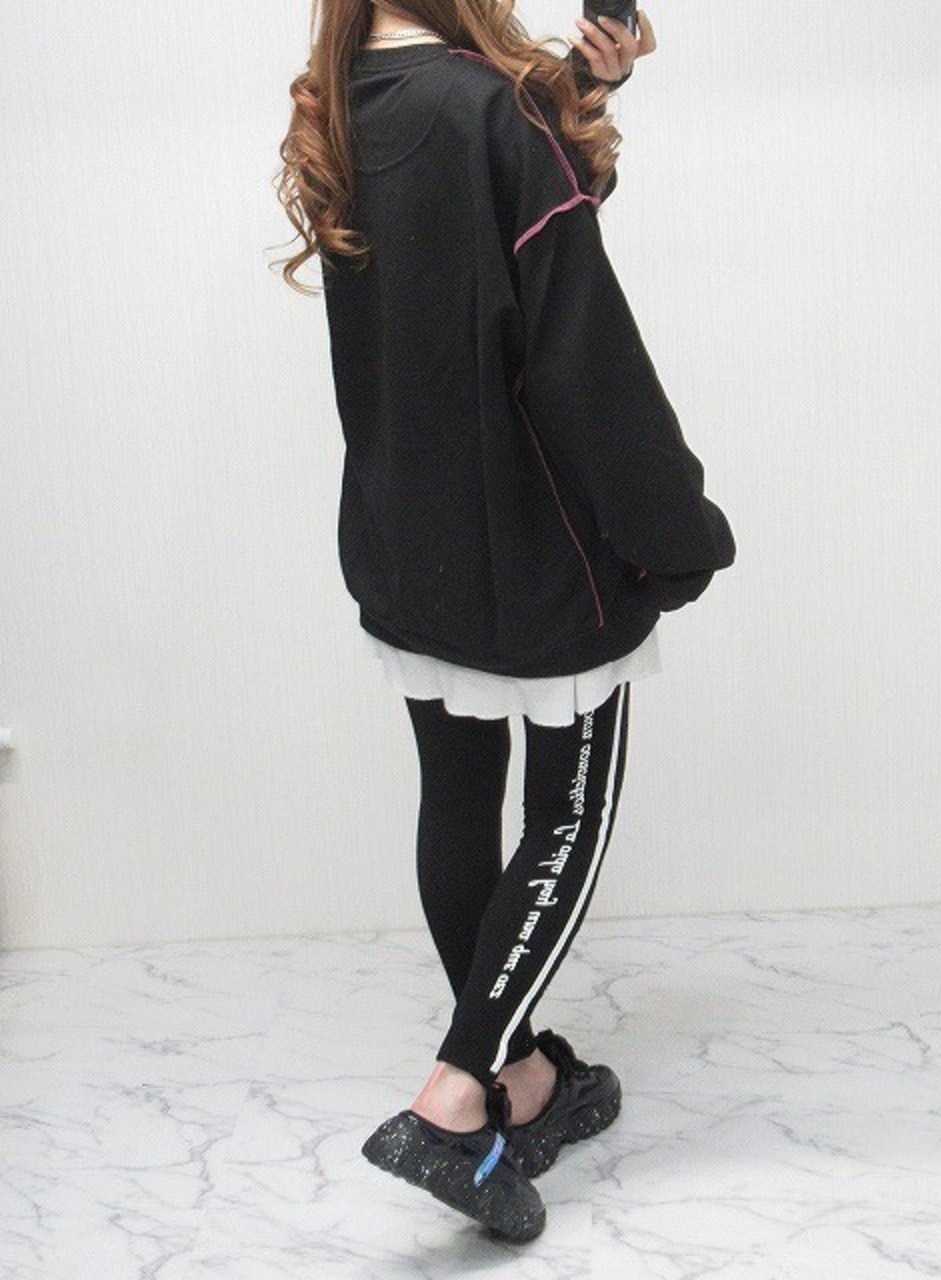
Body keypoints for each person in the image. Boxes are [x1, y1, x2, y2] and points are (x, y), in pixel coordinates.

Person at [273, 0, 735, 1243]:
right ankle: (451, 1100)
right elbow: (580, 352)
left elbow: (474, 246)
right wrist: (674, 529)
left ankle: (520, 1072)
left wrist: (580, 95)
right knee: (565, 815)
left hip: (405, 541)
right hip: (538, 555)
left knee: (457, 795)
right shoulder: (491, 109)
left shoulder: (340, 105)